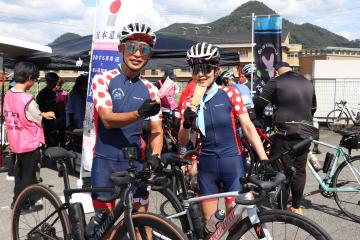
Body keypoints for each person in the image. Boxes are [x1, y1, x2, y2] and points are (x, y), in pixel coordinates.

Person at [178, 42, 268, 222]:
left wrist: (264, 158)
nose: (201, 74)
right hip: (207, 165)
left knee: (235, 223)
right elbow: (182, 141)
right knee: (210, 224)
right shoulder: (189, 100)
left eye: (206, 68)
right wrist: (187, 123)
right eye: (196, 69)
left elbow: (248, 127)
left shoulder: (230, 93)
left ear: (216, 70)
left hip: (232, 162)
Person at [91, 22, 163, 212]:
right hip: (105, 161)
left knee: (142, 222)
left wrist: (155, 156)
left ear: (149, 55)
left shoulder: (151, 89)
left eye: (144, 49)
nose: (137, 54)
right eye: (132, 47)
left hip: (135, 163)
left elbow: (157, 131)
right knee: (106, 226)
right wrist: (139, 113)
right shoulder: (103, 79)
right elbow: (107, 119)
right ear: (121, 48)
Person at [254, 61, 317, 215]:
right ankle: (296, 206)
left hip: (285, 132)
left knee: (282, 169)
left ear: (276, 72)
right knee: (300, 170)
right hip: (306, 133)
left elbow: (261, 102)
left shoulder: (276, 80)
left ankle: (281, 208)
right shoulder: (307, 82)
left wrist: (259, 120)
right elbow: (314, 108)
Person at [3, 62, 55, 208]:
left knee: (20, 174)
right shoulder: (27, 99)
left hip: (16, 140)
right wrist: (45, 114)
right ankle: (22, 204)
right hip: (30, 142)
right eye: (35, 80)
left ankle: (17, 200)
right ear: (30, 78)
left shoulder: (8, 94)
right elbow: (37, 117)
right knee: (28, 176)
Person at [36, 72, 59, 147]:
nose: (56, 83)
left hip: (51, 120)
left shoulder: (52, 92)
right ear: (49, 81)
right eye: (55, 81)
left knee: (52, 140)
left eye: (56, 81)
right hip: (45, 121)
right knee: (48, 140)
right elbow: (39, 108)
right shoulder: (43, 93)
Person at [55, 78, 68, 147]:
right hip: (54, 116)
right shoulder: (51, 93)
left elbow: (67, 105)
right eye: (56, 85)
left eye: (59, 85)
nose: (58, 87)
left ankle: (63, 148)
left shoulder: (65, 94)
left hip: (62, 116)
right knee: (54, 135)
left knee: (62, 134)